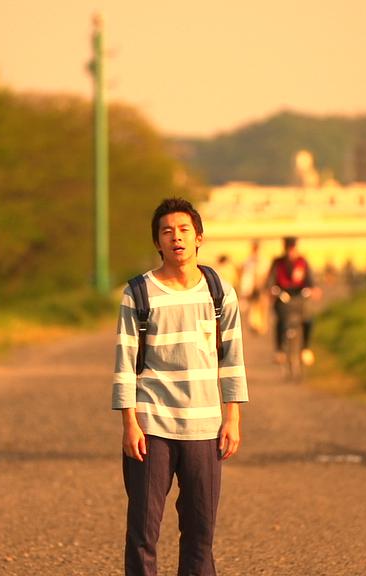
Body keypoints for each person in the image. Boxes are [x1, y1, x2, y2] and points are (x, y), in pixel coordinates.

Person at [112, 197, 249, 576]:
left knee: (200, 534)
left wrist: (232, 417)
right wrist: (129, 423)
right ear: (157, 242)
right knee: (143, 532)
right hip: (152, 426)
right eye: (167, 231)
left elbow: (232, 358)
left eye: (184, 230)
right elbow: (124, 363)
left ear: (199, 238)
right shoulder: (138, 293)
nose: (176, 238)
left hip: (205, 428)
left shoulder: (219, 292)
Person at [267, 236, 318, 366]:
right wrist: (273, 290)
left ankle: (306, 348)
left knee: (308, 319)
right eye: (288, 249)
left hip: (300, 298)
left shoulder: (303, 262)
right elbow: (270, 281)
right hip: (283, 298)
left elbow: (311, 281)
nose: (291, 252)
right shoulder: (278, 263)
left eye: (293, 249)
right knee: (280, 322)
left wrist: (312, 290)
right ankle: (280, 351)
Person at [237, 240, 266, 334]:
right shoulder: (249, 260)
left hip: (258, 285)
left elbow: (263, 273)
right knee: (254, 306)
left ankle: (258, 324)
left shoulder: (260, 259)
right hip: (250, 286)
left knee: (258, 306)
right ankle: (255, 324)